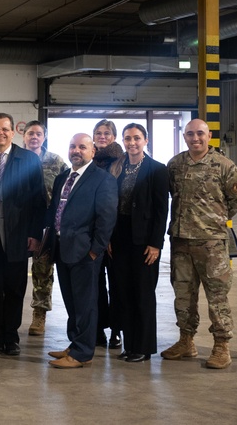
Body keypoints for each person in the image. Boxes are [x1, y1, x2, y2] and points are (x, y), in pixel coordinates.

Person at [162, 119, 237, 369]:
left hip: (211, 244)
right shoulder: (175, 165)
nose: (195, 138)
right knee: (183, 296)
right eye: (190, 134)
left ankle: (221, 346)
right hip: (180, 242)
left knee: (217, 297)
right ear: (184, 136)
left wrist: (215, 220)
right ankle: (186, 341)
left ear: (209, 135)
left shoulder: (224, 166)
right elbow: (170, 194)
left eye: (200, 133)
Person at [0, 113, 45, 356]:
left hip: (18, 235)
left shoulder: (28, 160)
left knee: (15, 289)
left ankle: (11, 337)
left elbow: (39, 200)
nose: (0, 133)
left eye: (5, 129)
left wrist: (35, 234)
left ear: (13, 132)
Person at [44, 133, 117, 369]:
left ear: (92, 151)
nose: (77, 150)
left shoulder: (102, 179)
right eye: (73, 146)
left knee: (86, 305)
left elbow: (106, 218)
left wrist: (95, 251)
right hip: (62, 249)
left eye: (82, 147)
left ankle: (83, 352)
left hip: (85, 252)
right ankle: (74, 343)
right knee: (72, 303)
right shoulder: (63, 177)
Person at [107, 124, 169, 363]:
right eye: (127, 138)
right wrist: (110, 238)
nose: (132, 142)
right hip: (119, 238)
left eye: (136, 138)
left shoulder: (157, 170)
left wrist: (156, 244)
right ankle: (129, 344)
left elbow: (161, 210)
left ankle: (143, 348)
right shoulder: (118, 168)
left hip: (144, 241)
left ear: (145, 140)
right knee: (122, 293)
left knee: (142, 294)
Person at [21, 121, 68, 335]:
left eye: (38, 134)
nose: (34, 137)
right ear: (23, 136)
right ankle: (6, 316)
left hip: (46, 225)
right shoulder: (15, 158)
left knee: (43, 273)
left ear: (44, 136)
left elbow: (69, 188)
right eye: (30, 133)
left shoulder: (56, 162)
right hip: (19, 224)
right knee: (14, 272)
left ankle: (39, 316)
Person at [91, 119, 123, 350]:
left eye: (107, 133)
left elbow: (118, 203)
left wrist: (109, 237)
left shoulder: (120, 162)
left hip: (114, 236)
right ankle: (98, 328)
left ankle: (117, 330)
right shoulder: (89, 161)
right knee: (96, 286)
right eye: (98, 133)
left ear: (113, 137)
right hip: (91, 235)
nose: (102, 136)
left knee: (117, 285)